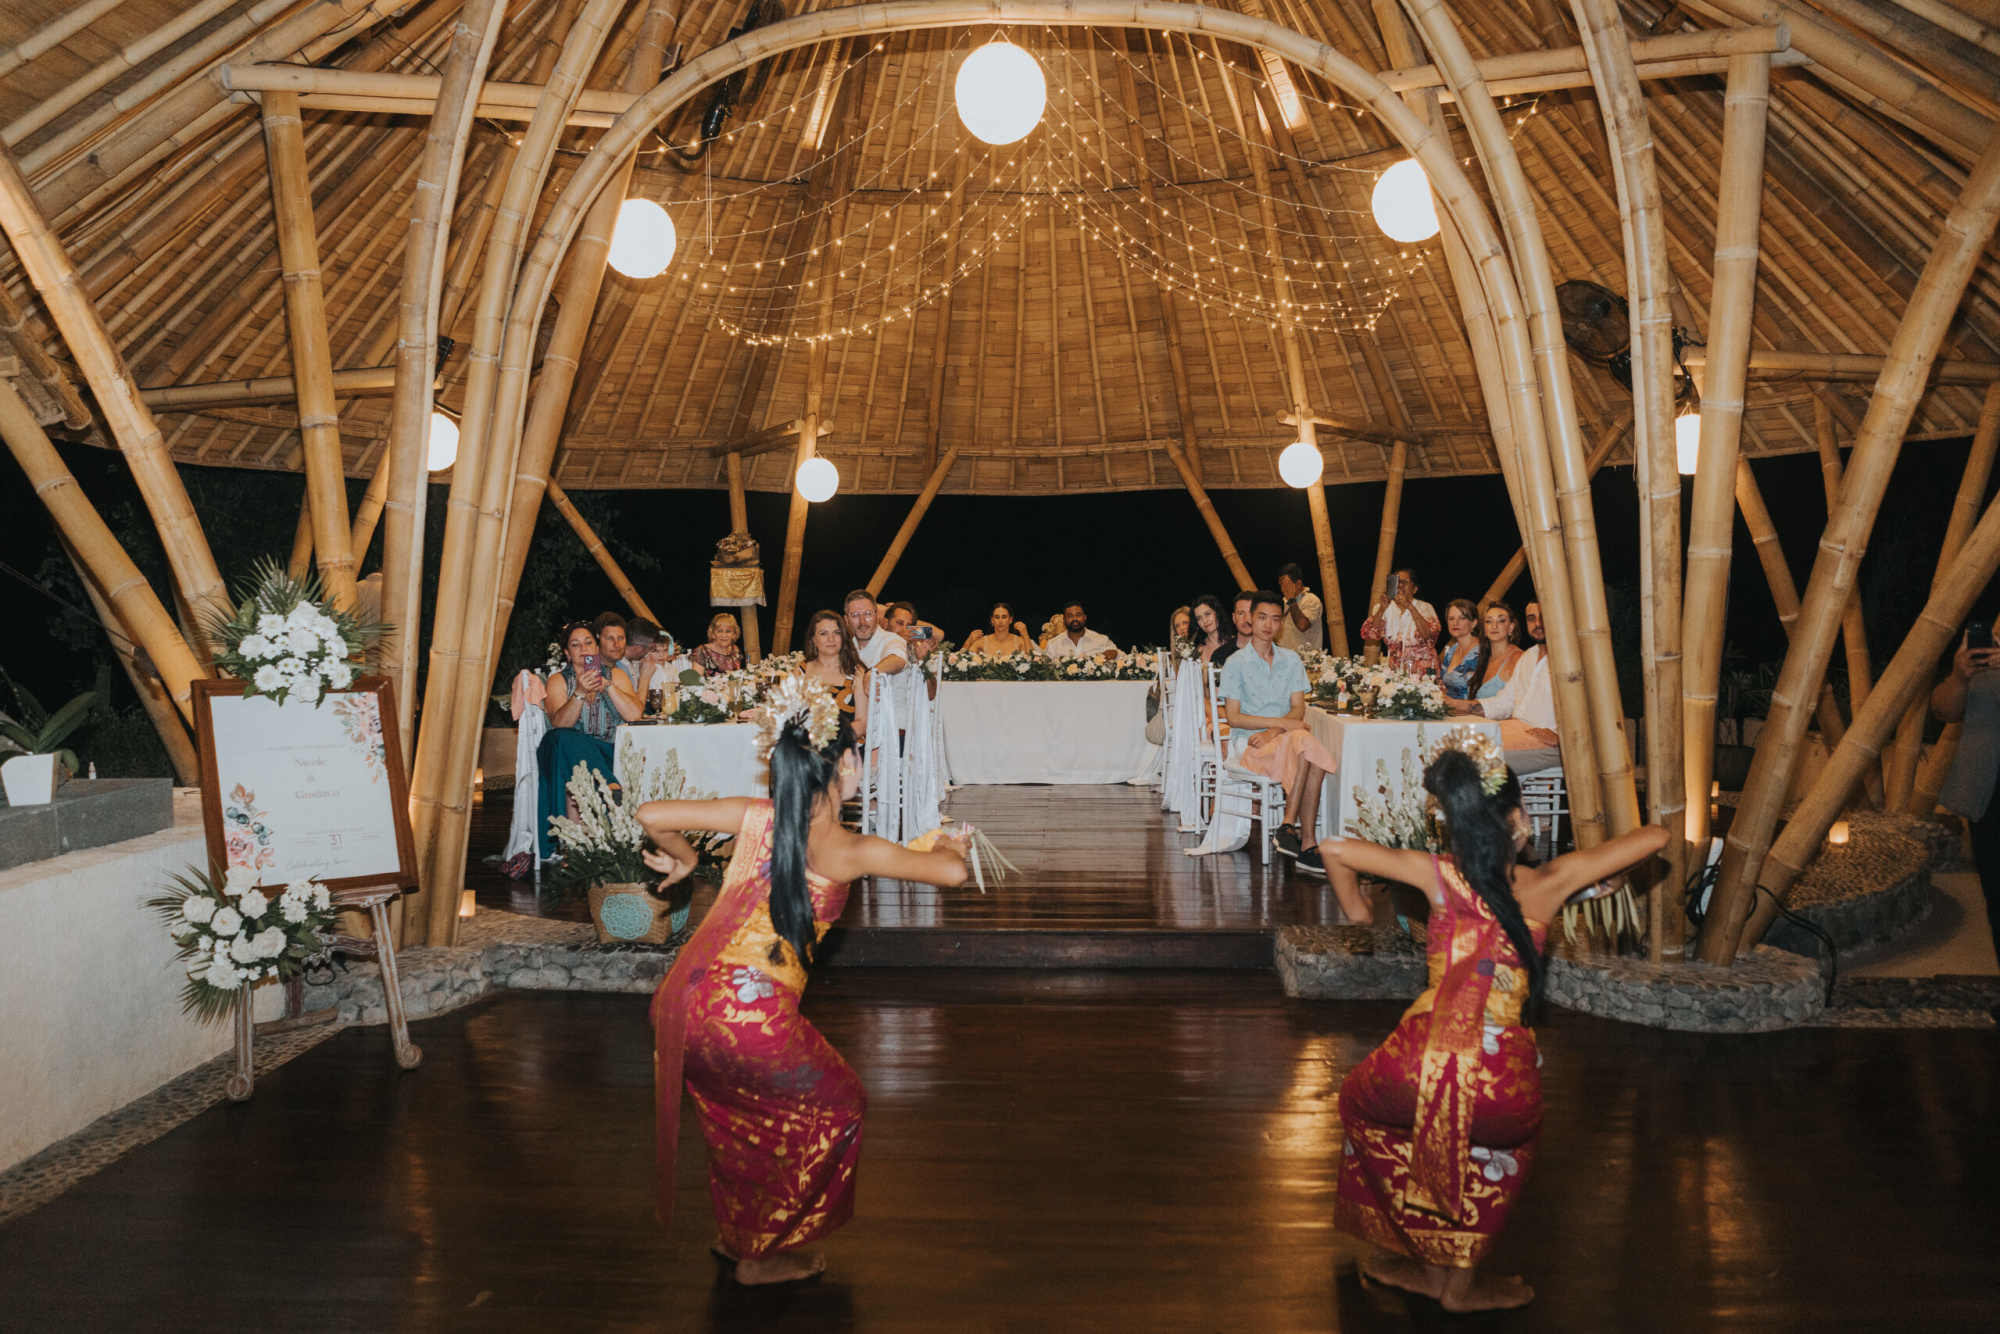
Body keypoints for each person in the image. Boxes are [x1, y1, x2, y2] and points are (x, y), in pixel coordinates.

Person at [639, 679, 971, 1286]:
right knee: (840, 1105)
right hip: (748, 1020)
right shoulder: (846, 846)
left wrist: (686, 861)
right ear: (843, 763)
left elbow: (651, 814)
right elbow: (948, 872)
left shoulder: (754, 817)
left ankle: (741, 1236)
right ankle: (763, 1257)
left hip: (683, 1006)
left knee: (739, 1117)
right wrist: (952, 840)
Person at [1321, 737, 1669, 1312]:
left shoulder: (1437, 875)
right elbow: (1656, 837)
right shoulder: (1549, 882)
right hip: (1500, 1085)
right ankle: (1456, 1284)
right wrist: (1600, 881)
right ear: (1518, 820)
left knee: (1362, 1105)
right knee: (1497, 1145)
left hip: (1413, 1068)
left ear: (1453, 824)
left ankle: (1425, 1260)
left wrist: (1358, 911)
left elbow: (1335, 849)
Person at [1222, 591, 1339, 875]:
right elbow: (1233, 718)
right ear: (1250, 618)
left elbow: (1298, 709)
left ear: (1281, 625)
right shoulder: (1236, 663)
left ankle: (1290, 828)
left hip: (1278, 737)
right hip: (1248, 742)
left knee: (1302, 744)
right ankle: (1305, 841)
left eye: (1275, 619)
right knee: (1305, 745)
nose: (1268, 625)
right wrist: (1282, 727)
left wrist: (1276, 728)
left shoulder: (1291, 660)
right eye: (1262, 617)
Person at [538, 621, 635, 859]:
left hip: (607, 752)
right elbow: (560, 723)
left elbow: (634, 715)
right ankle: (611, 787)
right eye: (575, 644)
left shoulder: (618, 675)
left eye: (588, 642)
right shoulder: (558, 681)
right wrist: (579, 692)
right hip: (566, 752)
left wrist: (608, 686)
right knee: (562, 737)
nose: (583, 648)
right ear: (567, 653)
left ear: (597, 646)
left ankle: (579, 844)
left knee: (571, 745)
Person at [1932, 627, 2000, 950]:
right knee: (1997, 898)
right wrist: (1960, 677)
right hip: (1988, 794)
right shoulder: (1987, 657)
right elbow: (1943, 710)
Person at [1462, 601, 1560, 772]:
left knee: (1471, 756)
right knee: (1455, 739)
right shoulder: (1529, 656)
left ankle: (1499, 799)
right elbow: (1505, 701)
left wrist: (1562, 738)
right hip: (1517, 727)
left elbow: (1590, 704)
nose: (1538, 624)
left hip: (1546, 742)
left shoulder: (1567, 660)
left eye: (1543, 618)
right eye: (1532, 618)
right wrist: (1456, 706)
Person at [801, 610, 869, 738]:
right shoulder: (801, 670)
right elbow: (787, 710)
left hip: (845, 747)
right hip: (807, 748)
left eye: (837, 633)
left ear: (843, 638)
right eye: (823, 634)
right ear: (814, 639)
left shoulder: (856, 672)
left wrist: (835, 742)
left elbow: (862, 722)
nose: (831, 639)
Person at [1361, 567, 1440, 676]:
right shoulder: (1383, 607)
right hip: (1395, 670)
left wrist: (1410, 607)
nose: (1400, 585)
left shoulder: (1424, 607)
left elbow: (1429, 636)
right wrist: (1382, 609)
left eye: (1405, 582)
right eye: (1397, 581)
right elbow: (1371, 634)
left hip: (1423, 670)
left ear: (1415, 589)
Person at [1467, 601, 1524, 705]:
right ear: (1484, 628)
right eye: (1489, 621)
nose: (1494, 626)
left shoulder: (1518, 658)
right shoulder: (1483, 658)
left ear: (1511, 627)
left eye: (1501, 621)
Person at [844, 590, 907, 678]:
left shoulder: (892, 639)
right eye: (855, 615)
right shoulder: (845, 649)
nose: (862, 621)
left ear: (876, 615)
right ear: (847, 620)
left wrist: (872, 674)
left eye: (868, 614)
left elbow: (898, 660)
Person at [1438, 599, 1484, 701]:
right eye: (1451, 618)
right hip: (1449, 708)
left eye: (1462, 618)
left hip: (1470, 711)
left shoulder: (1481, 652)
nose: (1455, 623)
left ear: (1474, 623)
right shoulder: (1452, 650)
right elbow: (1442, 684)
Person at [1045, 600, 1120, 660]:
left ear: (1084, 617)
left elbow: (1124, 658)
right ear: (1064, 620)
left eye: (1078, 615)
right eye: (1070, 616)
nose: (1075, 619)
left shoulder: (1101, 640)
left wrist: (1116, 653)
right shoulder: (1053, 644)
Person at [1276, 563, 1325, 654]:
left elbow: (1302, 625)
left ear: (1298, 584)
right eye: (1281, 585)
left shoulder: (1311, 600)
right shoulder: (1283, 601)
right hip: (1283, 657)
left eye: (1286, 584)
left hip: (1305, 660)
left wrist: (1291, 600)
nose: (1283, 589)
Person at [964, 602, 1034, 657]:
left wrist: (1026, 636)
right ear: (992, 620)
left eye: (1004, 617)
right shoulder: (982, 641)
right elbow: (960, 662)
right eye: (997, 617)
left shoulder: (1019, 641)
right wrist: (968, 641)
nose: (1000, 621)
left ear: (1010, 619)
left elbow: (1034, 662)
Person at [1211, 590, 1256, 671]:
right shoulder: (1220, 655)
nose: (1246, 619)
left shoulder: (1274, 653)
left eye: (1251, 613)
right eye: (1241, 613)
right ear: (1234, 618)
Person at [1190, 594, 1229, 666]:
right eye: (1199, 618)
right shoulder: (1198, 651)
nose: (1204, 621)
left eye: (1207, 614)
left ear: (1217, 613)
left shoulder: (1235, 642)